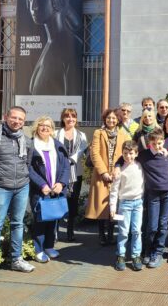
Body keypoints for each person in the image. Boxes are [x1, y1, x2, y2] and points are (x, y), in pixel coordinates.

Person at [0, 106, 35, 283]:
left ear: (24, 122)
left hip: (21, 188)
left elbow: (28, 163)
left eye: (21, 119)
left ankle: (16, 260)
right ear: (5, 117)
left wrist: (23, 180)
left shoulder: (27, 141)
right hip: (1, 188)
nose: (17, 121)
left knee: (18, 224)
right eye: (14, 117)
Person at [23, 0, 82, 95]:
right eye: (30, 0)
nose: (31, 7)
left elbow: (71, 105)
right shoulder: (51, 43)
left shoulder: (71, 47)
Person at [85, 108, 130, 245]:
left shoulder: (123, 134)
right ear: (105, 119)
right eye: (109, 118)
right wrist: (103, 172)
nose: (111, 120)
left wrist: (118, 170)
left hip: (117, 174)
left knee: (114, 204)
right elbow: (95, 154)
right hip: (101, 175)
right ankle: (101, 234)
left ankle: (111, 233)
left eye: (114, 118)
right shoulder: (98, 133)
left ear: (118, 120)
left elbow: (128, 152)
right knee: (101, 205)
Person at [29, 116, 70, 263]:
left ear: (52, 129)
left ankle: (49, 246)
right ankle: (38, 249)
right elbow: (28, 169)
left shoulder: (58, 145)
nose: (45, 128)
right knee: (40, 220)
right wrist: (42, 185)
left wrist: (61, 183)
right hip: (41, 190)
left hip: (56, 189)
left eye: (48, 126)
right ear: (36, 127)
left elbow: (66, 166)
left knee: (53, 218)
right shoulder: (31, 145)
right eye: (42, 125)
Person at [137, 128, 168, 268]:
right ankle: (148, 250)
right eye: (154, 143)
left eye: (160, 143)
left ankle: (157, 252)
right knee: (152, 226)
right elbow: (124, 158)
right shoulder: (143, 155)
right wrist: (117, 166)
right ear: (149, 143)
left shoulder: (167, 154)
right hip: (153, 193)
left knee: (163, 224)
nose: (158, 146)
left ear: (163, 142)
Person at [110, 140, 144, 272]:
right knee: (123, 231)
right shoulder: (119, 170)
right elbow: (113, 190)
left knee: (136, 231)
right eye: (125, 153)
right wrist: (112, 208)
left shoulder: (140, 166)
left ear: (136, 154)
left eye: (131, 153)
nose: (128, 156)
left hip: (138, 203)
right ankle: (121, 255)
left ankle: (136, 256)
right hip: (124, 204)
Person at [55, 108, 88, 242]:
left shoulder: (82, 135)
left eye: (73, 116)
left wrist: (71, 158)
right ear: (63, 119)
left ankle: (70, 231)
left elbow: (82, 151)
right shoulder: (55, 134)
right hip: (58, 173)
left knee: (73, 202)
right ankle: (55, 232)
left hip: (76, 173)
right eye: (67, 116)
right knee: (57, 201)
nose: (70, 119)